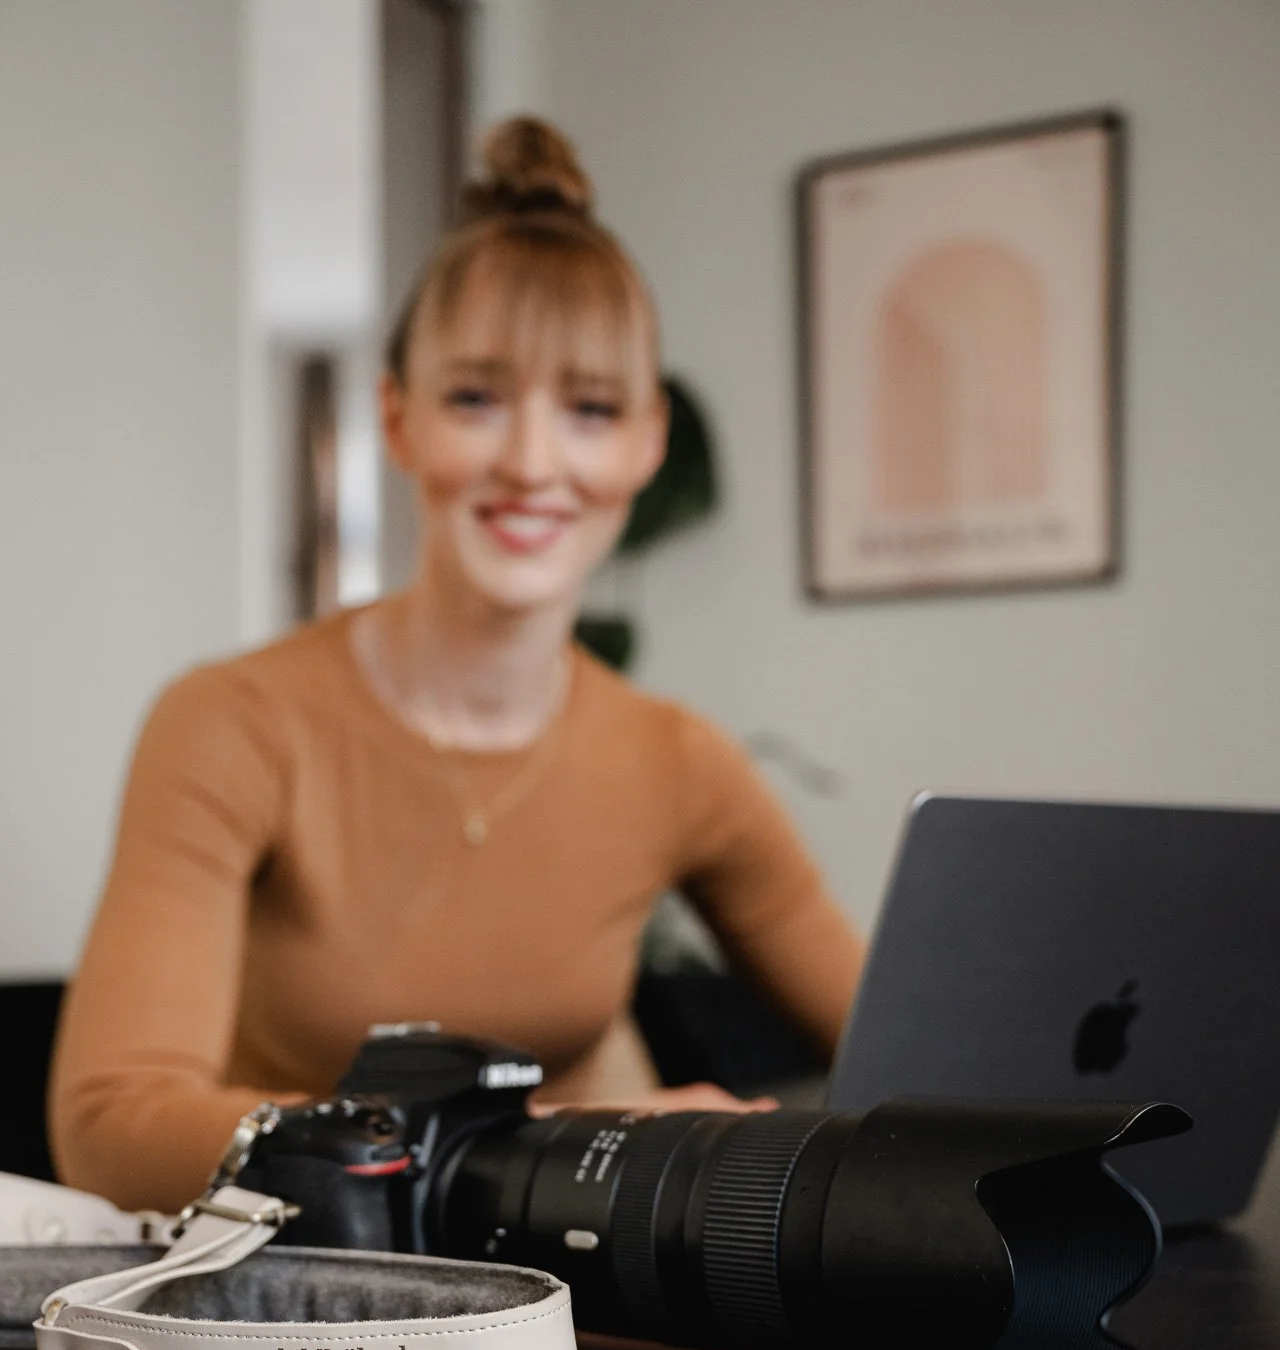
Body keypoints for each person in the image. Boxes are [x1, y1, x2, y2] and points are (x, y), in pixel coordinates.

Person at [48, 118, 864, 1214]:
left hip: (573, 1297)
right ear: (398, 418)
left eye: (589, 409)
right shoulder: (231, 723)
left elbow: (908, 1049)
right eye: (476, 398)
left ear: (646, 443)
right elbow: (115, 1126)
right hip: (295, 1288)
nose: (531, 463)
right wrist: (558, 1149)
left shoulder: (680, 762)